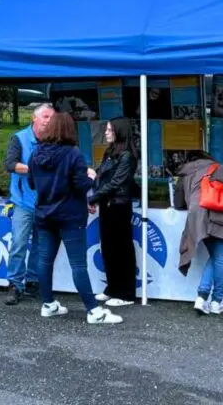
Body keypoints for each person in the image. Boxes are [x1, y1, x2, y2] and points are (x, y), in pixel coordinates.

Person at [28, 113, 123, 324]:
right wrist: (90, 177)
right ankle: (93, 310)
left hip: (44, 215)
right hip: (70, 216)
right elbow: (81, 185)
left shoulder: (35, 154)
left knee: (44, 260)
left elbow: (32, 184)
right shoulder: (73, 154)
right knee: (78, 264)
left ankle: (48, 304)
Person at [174, 151, 223, 316]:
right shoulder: (219, 169)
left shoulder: (185, 174)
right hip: (220, 215)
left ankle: (201, 296)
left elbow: (178, 203)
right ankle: (216, 301)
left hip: (198, 217)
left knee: (216, 256)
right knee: (221, 258)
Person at [2, 103, 55, 305]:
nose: (49, 121)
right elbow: (10, 164)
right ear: (34, 118)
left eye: (52, 117)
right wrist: (35, 169)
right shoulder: (19, 138)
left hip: (45, 202)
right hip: (23, 202)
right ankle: (15, 284)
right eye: (46, 116)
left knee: (40, 246)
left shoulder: (54, 140)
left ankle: (33, 282)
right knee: (18, 244)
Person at [88, 117, 138, 308]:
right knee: (108, 248)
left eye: (110, 130)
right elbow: (103, 175)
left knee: (121, 249)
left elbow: (116, 182)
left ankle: (125, 293)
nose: (106, 132)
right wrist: (93, 175)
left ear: (120, 132)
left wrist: (92, 198)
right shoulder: (110, 152)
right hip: (107, 205)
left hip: (118, 206)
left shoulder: (127, 156)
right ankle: (112, 288)